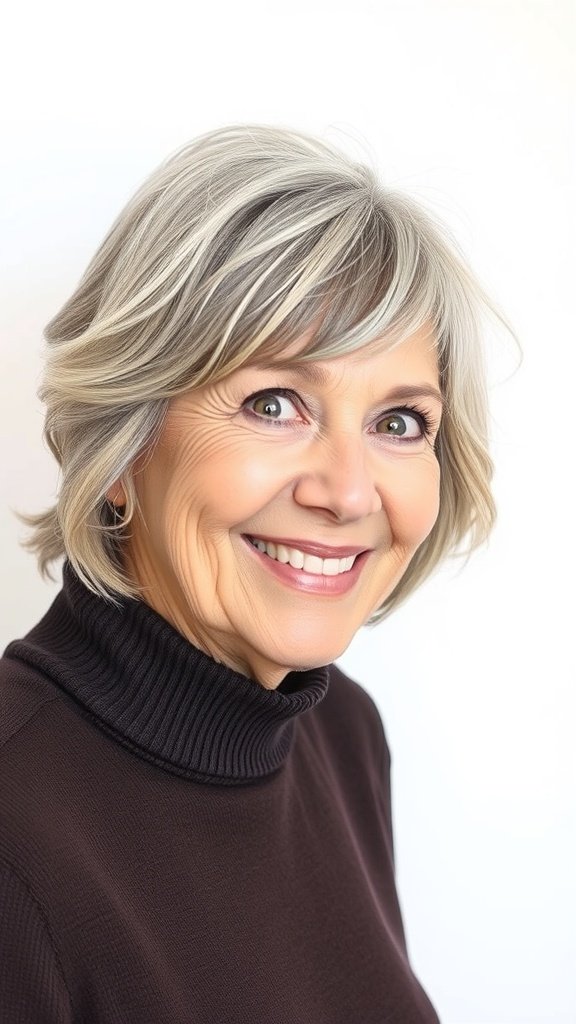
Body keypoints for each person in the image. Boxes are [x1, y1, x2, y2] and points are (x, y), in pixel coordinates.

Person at [0, 124, 513, 1023]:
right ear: (123, 444)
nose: (348, 491)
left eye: (399, 423)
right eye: (274, 404)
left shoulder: (344, 736)